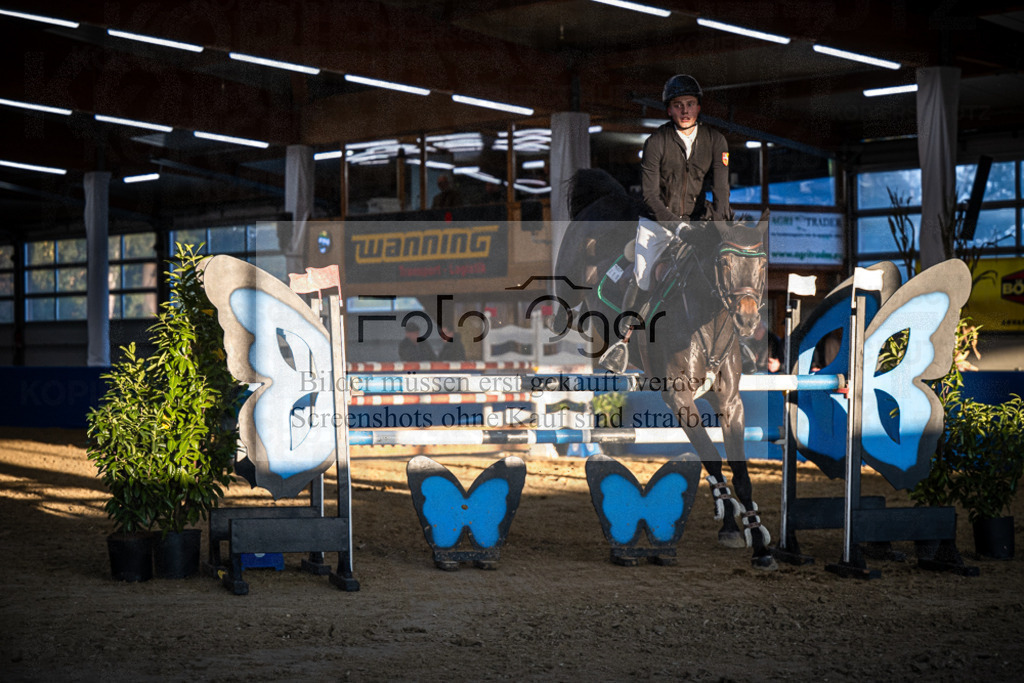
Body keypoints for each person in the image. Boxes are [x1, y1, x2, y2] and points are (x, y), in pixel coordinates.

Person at [625, 74, 735, 309]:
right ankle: (627, 335)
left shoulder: (716, 141)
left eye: (690, 104)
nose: (685, 111)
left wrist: (723, 226)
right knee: (643, 278)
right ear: (669, 111)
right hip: (657, 225)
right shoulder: (656, 143)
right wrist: (678, 227)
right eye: (678, 105)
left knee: (724, 272)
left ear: (698, 106)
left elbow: (721, 190)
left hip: (698, 224)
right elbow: (650, 197)